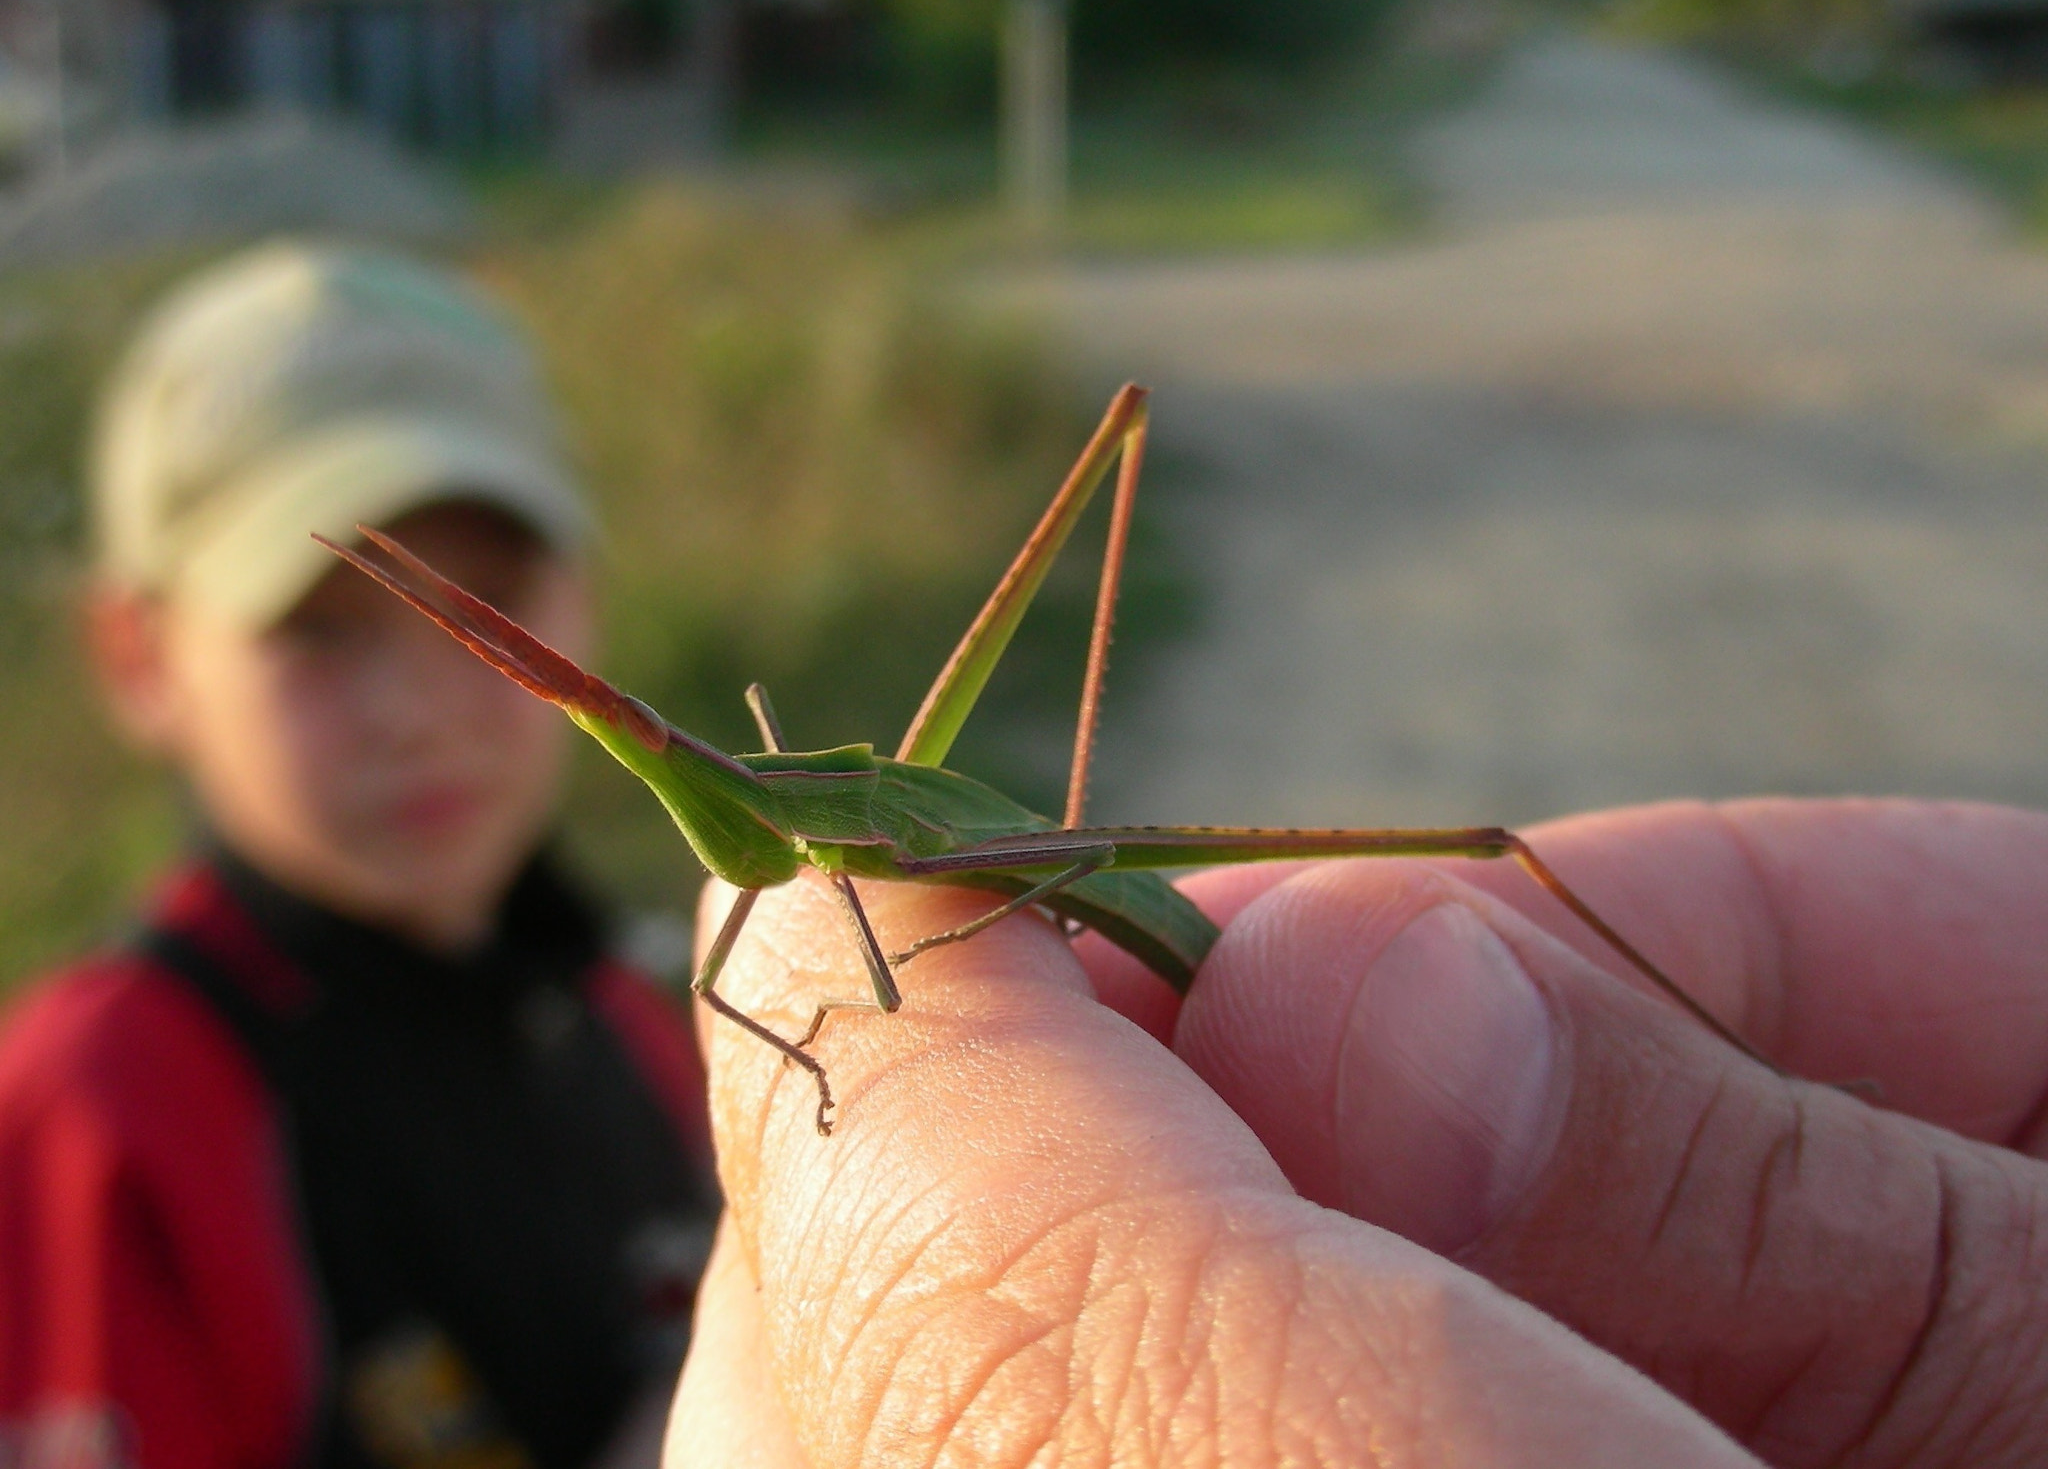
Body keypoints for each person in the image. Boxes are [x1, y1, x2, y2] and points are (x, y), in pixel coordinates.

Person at [664, 797, 2048, 1466]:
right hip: (1023, 892)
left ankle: (1749, 1062)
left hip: (1058, 871)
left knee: (1483, 840)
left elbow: (854, 966)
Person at [0, 243, 718, 1469]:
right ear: (138, 654)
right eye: (317, 630)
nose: (421, 712)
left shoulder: (636, 1019)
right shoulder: (85, 1120)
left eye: (492, 617)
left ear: (583, 605)